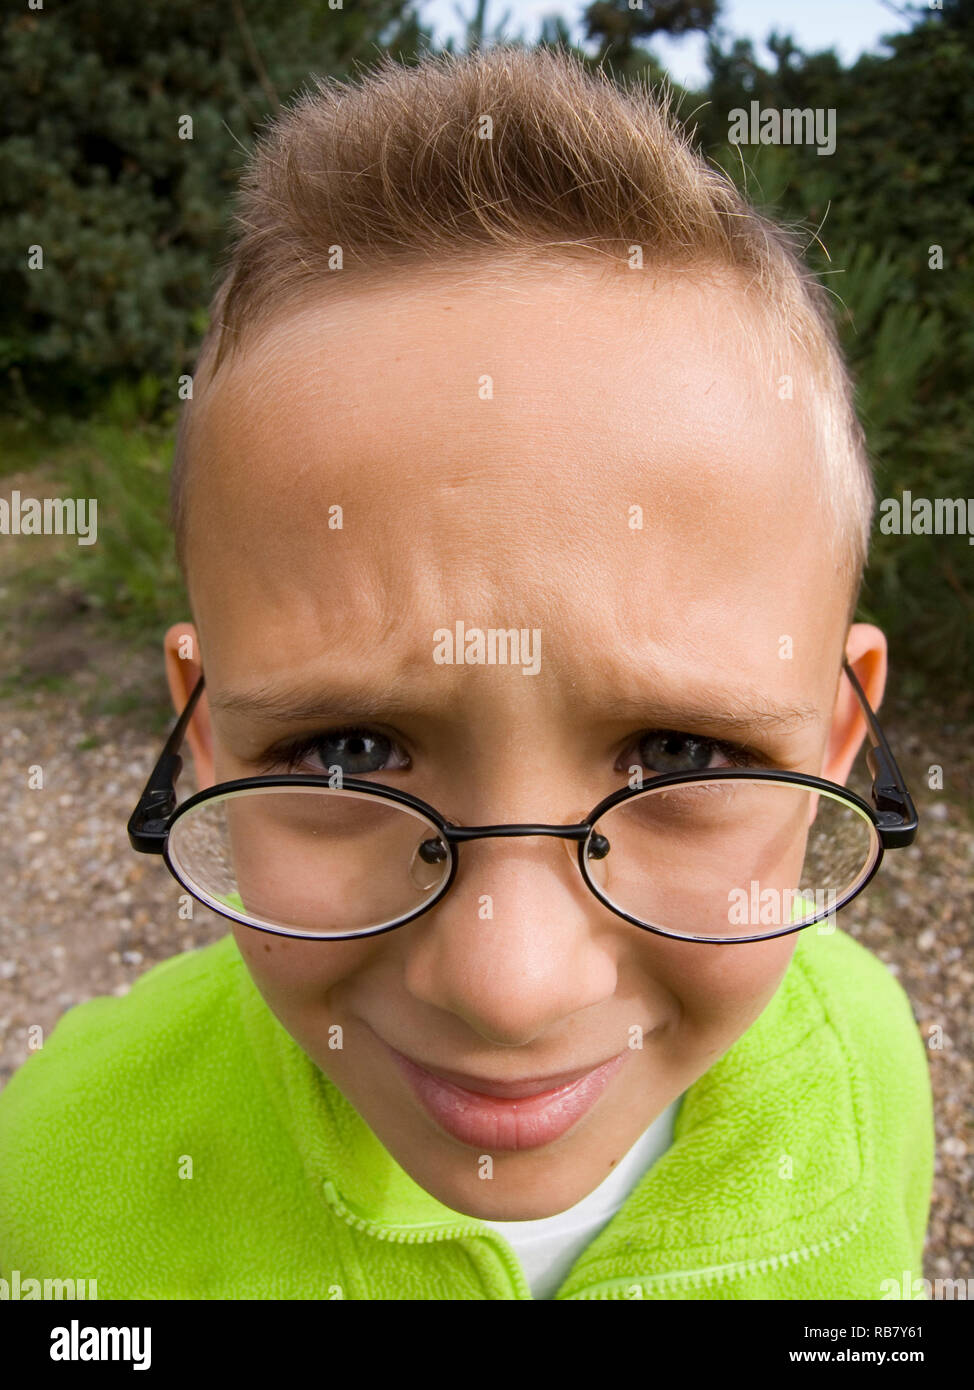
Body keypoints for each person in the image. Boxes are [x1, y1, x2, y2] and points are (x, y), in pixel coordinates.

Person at [0, 45, 933, 1300]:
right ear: (204, 737)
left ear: (836, 741)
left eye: (680, 754)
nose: (510, 986)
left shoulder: (873, 1064)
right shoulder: (51, 1171)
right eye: (350, 752)